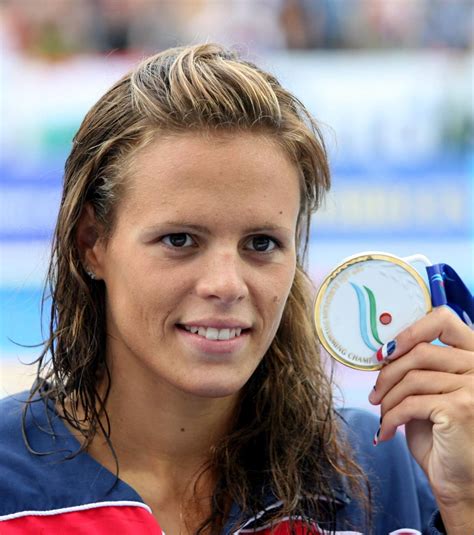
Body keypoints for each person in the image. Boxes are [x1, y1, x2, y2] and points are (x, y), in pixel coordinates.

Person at [0, 43, 472, 535]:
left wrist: (466, 503)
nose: (226, 285)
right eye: (179, 239)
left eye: (262, 243)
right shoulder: (8, 484)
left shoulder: (384, 473)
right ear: (93, 243)